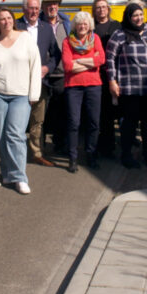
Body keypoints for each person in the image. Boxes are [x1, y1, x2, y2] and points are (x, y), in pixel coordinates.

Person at [106, 3, 147, 169]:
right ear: (128, 17)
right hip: (129, 89)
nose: (138, 18)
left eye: (141, 15)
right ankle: (127, 156)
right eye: (135, 15)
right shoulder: (119, 34)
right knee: (129, 123)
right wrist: (112, 81)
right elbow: (110, 59)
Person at [0, 8, 41, 194]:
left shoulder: (25, 38)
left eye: (9, 18)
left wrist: (34, 94)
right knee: (1, 135)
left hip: (21, 95)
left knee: (15, 134)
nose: (6, 21)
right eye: (2, 19)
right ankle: (8, 173)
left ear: (13, 20)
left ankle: (20, 177)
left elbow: (35, 65)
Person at [16, 0, 60, 167]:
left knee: (37, 120)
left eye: (36, 8)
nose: (33, 11)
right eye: (30, 8)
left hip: (39, 82)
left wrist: (47, 68)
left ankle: (36, 153)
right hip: (18, 81)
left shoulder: (46, 28)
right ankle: (16, 153)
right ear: (24, 9)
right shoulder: (16, 26)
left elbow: (56, 54)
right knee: (17, 119)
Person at [63, 11, 105, 173]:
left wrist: (78, 61)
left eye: (85, 24)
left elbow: (101, 59)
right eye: (79, 23)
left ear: (90, 26)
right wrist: (91, 63)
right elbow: (67, 66)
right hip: (73, 87)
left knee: (94, 122)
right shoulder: (67, 41)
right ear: (75, 25)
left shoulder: (96, 39)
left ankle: (91, 155)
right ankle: (73, 158)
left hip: (94, 86)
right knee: (74, 123)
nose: (82, 26)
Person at [40, 0, 71, 154]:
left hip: (61, 75)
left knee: (61, 112)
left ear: (58, 6)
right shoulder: (37, 23)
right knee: (41, 113)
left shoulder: (66, 23)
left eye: (54, 4)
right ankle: (40, 146)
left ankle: (60, 144)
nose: (52, 7)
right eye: (48, 4)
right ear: (43, 7)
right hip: (42, 75)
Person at [92, 0, 121, 157]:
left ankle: (111, 145)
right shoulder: (91, 27)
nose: (101, 10)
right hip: (96, 74)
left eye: (103, 7)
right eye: (98, 7)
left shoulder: (116, 26)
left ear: (108, 9)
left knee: (113, 112)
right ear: (94, 10)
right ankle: (102, 146)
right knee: (101, 113)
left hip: (113, 72)